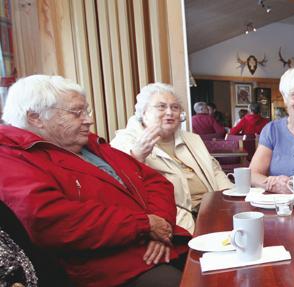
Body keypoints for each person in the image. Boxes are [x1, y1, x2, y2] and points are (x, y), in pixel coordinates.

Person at [0, 75, 188, 287]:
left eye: (86, 111)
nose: (88, 120)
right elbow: (53, 219)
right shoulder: (12, 157)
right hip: (114, 267)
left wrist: (159, 226)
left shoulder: (90, 143)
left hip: (162, 243)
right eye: (77, 112)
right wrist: (144, 225)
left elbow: (155, 182)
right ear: (35, 117)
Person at [111, 83, 233, 234]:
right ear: (144, 112)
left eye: (175, 107)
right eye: (161, 107)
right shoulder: (125, 142)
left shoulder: (192, 138)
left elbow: (214, 170)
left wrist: (231, 199)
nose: (170, 112)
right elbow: (121, 189)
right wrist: (136, 157)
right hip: (176, 222)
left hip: (214, 211)